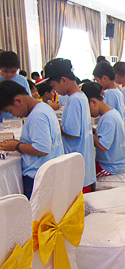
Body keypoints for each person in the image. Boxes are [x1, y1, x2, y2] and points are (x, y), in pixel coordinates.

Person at [0, 80, 64, 199]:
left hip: (38, 177)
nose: (13, 115)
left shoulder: (36, 116)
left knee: (35, 210)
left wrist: (16, 146)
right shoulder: (43, 108)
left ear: (18, 101)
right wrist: (21, 143)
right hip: (49, 174)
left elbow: (42, 149)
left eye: (10, 111)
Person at [44, 58, 96, 192]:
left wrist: (56, 126)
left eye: (54, 86)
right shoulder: (81, 96)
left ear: (63, 80)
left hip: (76, 166)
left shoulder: (74, 100)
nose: (55, 91)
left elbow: (72, 133)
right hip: (84, 164)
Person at [81, 82, 125, 177]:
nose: (87, 113)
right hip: (117, 163)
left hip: (111, 167)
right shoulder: (111, 113)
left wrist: (86, 132)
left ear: (93, 102)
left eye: (87, 108)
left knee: (84, 175)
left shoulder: (108, 119)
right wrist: (92, 130)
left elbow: (103, 145)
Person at [0, 51, 31, 119]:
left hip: (18, 120)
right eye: (5, 71)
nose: (9, 75)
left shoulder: (21, 80)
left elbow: (28, 100)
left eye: (13, 72)